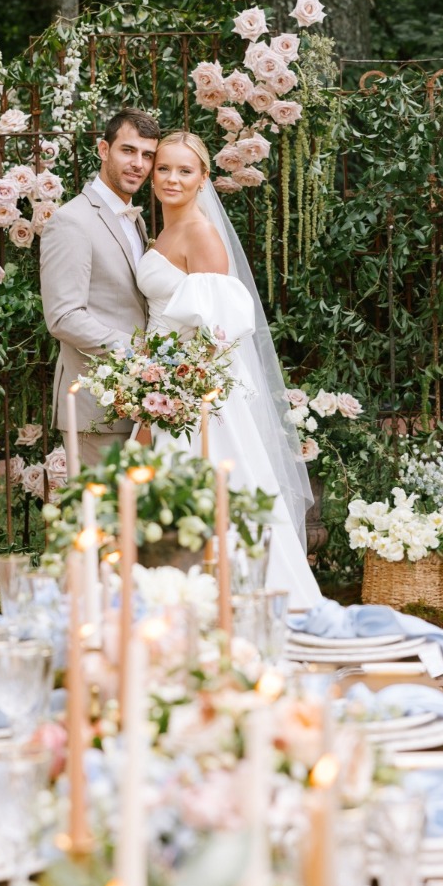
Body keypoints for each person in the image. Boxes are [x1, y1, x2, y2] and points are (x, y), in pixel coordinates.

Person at [136, 130, 321, 607]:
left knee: (207, 493)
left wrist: (171, 396)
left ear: (204, 179)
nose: (171, 179)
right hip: (165, 381)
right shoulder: (167, 229)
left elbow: (219, 335)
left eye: (185, 170)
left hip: (193, 394)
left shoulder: (199, 232)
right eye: (163, 168)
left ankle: (231, 601)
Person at [40, 108, 160, 467]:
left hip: (139, 404)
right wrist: (142, 354)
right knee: (100, 519)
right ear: (103, 150)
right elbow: (63, 317)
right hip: (96, 406)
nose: (138, 163)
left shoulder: (133, 219)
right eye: (128, 150)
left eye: (148, 155)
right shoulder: (72, 221)